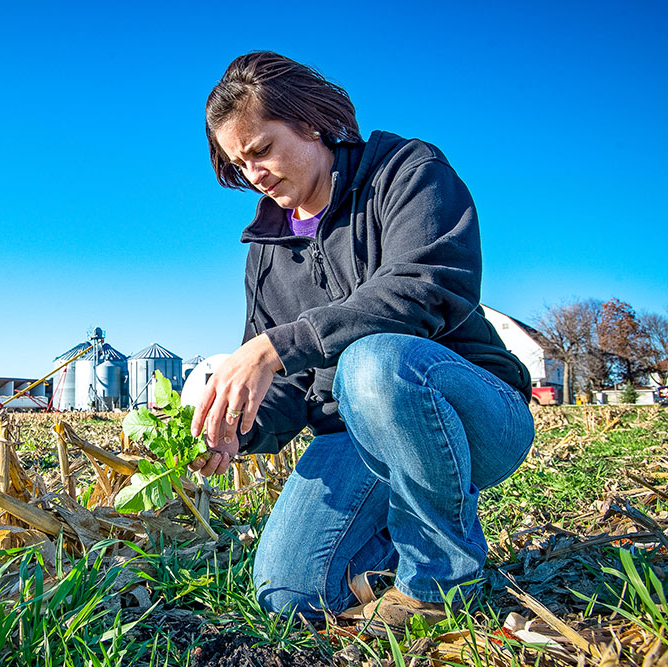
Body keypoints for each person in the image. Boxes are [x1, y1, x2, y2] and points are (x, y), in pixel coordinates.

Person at [188, 51, 535, 633]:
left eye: (261, 150)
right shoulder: (267, 251)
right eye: (238, 163)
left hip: (468, 412)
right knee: (288, 590)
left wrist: (275, 346)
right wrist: (236, 430)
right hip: (355, 430)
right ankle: (407, 553)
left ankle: (440, 583)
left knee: (372, 361)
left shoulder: (406, 170)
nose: (254, 173)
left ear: (311, 124)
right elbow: (288, 386)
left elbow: (426, 288)